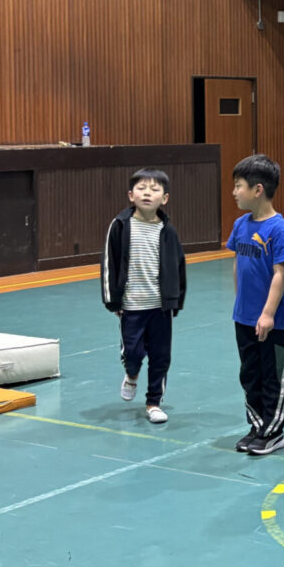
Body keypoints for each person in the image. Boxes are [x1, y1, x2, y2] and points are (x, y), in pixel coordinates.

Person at [101, 168, 186, 424]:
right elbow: (109, 263)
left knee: (161, 356)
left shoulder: (168, 231)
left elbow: (178, 266)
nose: (147, 193)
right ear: (131, 195)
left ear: (165, 198)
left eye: (154, 189)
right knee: (133, 353)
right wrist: (113, 300)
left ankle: (153, 403)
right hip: (131, 306)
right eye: (141, 188)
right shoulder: (120, 226)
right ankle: (132, 375)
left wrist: (175, 300)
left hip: (160, 307)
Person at [227, 155, 284, 456]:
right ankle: (256, 426)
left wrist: (267, 314)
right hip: (243, 317)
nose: (234, 192)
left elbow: (280, 273)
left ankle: (273, 432)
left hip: (274, 321)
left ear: (258, 190)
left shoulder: (279, 229)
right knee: (250, 373)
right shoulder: (240, 225)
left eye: (238, 186)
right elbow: (237, 264)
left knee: (274, 376)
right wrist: (240, 302)